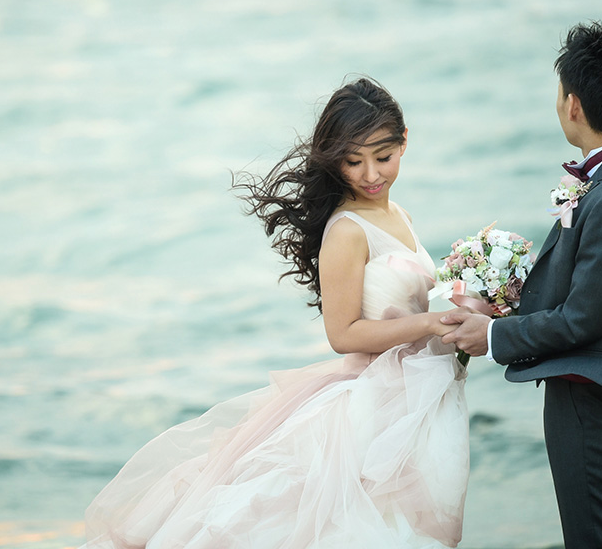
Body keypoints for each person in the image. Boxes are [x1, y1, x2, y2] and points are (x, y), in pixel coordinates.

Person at [80, 78, 469, 549]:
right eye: (353, 161)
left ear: (404, 141)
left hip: (412, 395)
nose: (370, 174)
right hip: (371, 400)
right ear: (334, 160)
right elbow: (343, 333)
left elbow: (403, 304)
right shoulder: (347, 230)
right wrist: (430, 323)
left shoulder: (399, 214)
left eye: (383, 156)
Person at [442, 22, 602, 549]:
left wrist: (493, 336)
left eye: (558, 93)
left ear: (572, 104)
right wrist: (505, 301)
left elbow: (584, 318)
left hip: (596, 401)